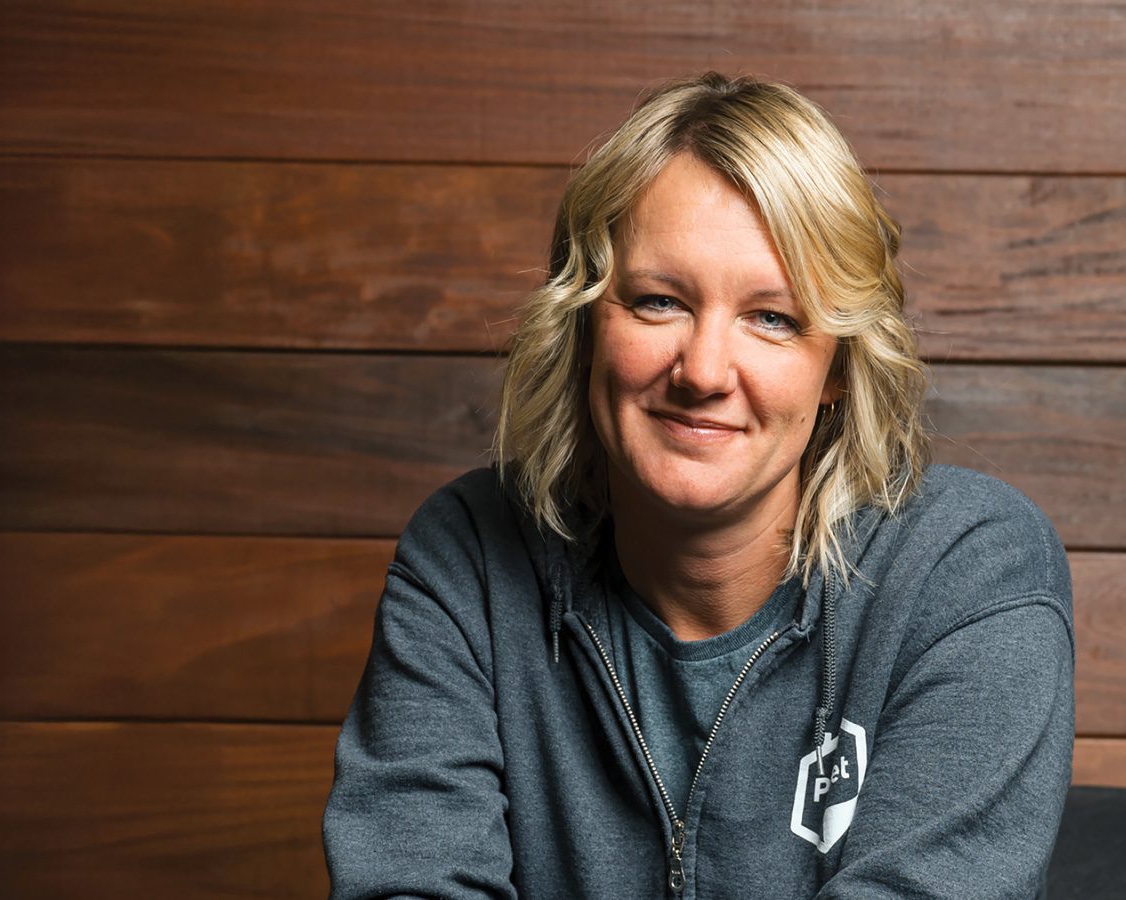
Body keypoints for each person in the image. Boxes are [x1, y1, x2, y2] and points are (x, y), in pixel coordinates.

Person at [323, 72, 1074, 900]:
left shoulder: (966, 570)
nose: (705, 371)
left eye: (773, 318)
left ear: (837, 369)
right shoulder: (467, 557)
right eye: (657, 302)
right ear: (584, 327)